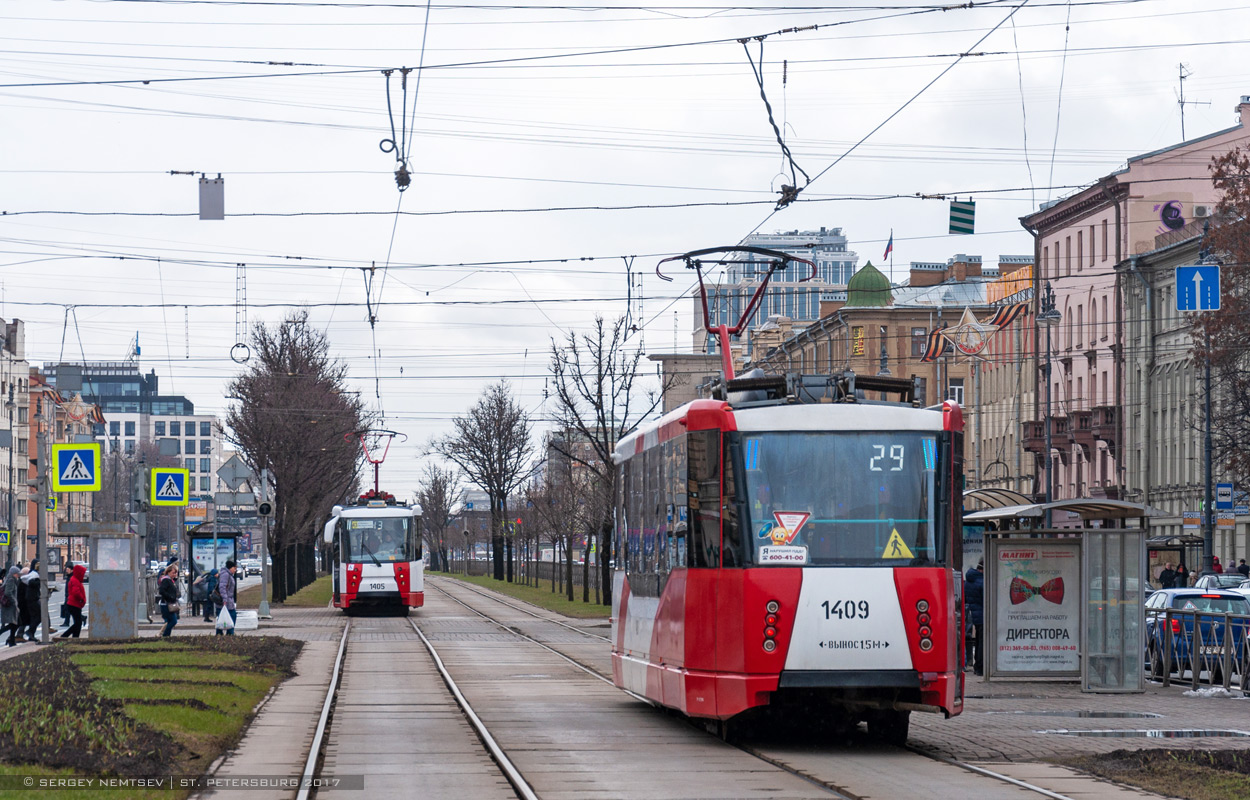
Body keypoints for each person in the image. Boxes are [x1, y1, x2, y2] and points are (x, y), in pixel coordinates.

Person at [964, 559, 985, 676]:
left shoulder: (969, 581)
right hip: (983, 615)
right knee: (982, 643)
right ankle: (981, 667)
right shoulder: (981, 581)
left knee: (977, 641)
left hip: (975, 616)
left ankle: (977, 666)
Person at [60, 563, 87, 639]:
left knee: (77, 622)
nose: (83, 575)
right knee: (78, 623)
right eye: (82, 573)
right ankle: (66, 636)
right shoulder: (75, 580)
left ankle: (75, 637)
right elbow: (76, 592)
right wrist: (81, 599)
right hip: (74, 604)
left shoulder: (74, 579)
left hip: (74, 604)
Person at [216, 560, 238, 636]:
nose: (235, 570)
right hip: (225, 600)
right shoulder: (225, 575)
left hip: (228, 600)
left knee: (223, 617)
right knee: (232, 616)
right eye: (234, 568)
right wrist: (225, 599)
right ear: (230, 568)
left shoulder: (228, 574)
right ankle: (229, 633)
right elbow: (222, 587)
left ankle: (221, 633)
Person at [158, 564, 180, 637]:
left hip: (169, 603)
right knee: (173, 621)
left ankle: (167, 636)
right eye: (173, 573)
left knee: (170, 621)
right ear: (168, 572)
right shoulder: (166, 580)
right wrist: (170, 597)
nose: (175, 574)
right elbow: (161, 591)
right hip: (166, 604)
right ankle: (165, 635)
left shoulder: (170, 580)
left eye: (176, 573)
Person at [1, 566, 20, 647]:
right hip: (10, 605)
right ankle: (10, 639)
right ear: (14, 574)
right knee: (14, 623)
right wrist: (14, 602)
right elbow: (8, 592)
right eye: (17, 574)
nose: (18, 575)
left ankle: (11, 640)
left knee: (15, 623)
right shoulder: (11, 580)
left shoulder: (10, 579)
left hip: (9, 605)